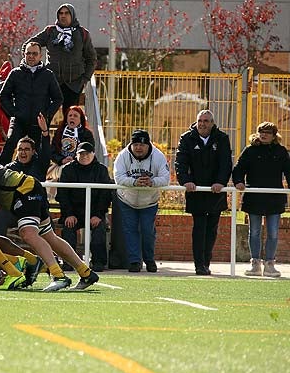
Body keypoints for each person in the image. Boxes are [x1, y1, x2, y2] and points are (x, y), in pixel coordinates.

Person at [0, 131, 100, 291]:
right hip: (27, 189)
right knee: (49, 236)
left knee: (28, 234)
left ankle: (58, 276)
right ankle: (85, 272)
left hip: (23, 191)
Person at [175, 110, 232, 276]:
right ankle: (199, 265)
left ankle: (206, 262)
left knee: (212, 229)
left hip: (215, 192)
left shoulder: (221, 138)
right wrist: (186, 181)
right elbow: (180, 163)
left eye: (206, 121)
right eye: (200, 120)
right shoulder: (187, 138)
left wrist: (220, 182)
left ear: (212, 123)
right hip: (196, 192)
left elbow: (225, 163)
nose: (202, 124)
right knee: (199, 228)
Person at [233, 122, 290, 277]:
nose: (264, 135)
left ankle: (270, 264)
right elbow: (238, 168)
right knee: (255, 232)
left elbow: (288, 171)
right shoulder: (250, 150)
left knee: (273, 233)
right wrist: (238, 181)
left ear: (274, 135)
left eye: (267, 132)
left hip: (274, 198)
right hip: (254, 197)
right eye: (261, 132)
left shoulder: (281, 151)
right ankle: (255, 264)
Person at [114, 129, 170, 272]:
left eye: (142, 145)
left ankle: (149, 259)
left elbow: (165, 178)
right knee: (130, 230)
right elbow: (118, 178)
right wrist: (134, 182)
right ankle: (134, 262)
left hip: (149, 201)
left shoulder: (158, 157)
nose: (138, 148)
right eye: (136, 144)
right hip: (126, 199)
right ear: (131, 145)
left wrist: (152, 182)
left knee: (147, 231)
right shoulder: (122, 156)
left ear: (148, 145)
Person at [0, 41, 62, 164]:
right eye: (28, 53)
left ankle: (39, 181)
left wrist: (46, 115)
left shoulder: (48, 75)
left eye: (34, 53)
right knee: (10, 145)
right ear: (24, 54)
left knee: (39, 153)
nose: (31, 56)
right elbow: (4, 96)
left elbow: (58, 98)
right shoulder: (15, 73)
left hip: (38, 123)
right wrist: (14, 113)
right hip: (19, 121)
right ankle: (0, 177)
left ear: (40, 56)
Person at [28, 3, 96, 115]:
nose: (63, 16)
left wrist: (84, 79)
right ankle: (43, 133)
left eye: (66, 13)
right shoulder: (50, 32)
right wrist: (35, 66)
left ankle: (66, 133)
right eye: (61, 13)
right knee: (44, 115)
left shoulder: (82, 33)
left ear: (72, 15)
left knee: (70, 118)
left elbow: (91, 59)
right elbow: (29, 45)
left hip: (74, 84)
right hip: (51, 82)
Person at [56, 142, 112, 272]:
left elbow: (105, 195)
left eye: (87, 153)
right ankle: (69, 261)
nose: (84, 156)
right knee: (68, 228)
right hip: (73, 213)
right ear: (76, 155)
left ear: (93, 154)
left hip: (94, 213)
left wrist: (98, 215)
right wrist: (68, 214)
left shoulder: (101, 170)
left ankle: (98, 262)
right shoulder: (67, 169)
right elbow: (63, 194)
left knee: (99, 229)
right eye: (81, 153)